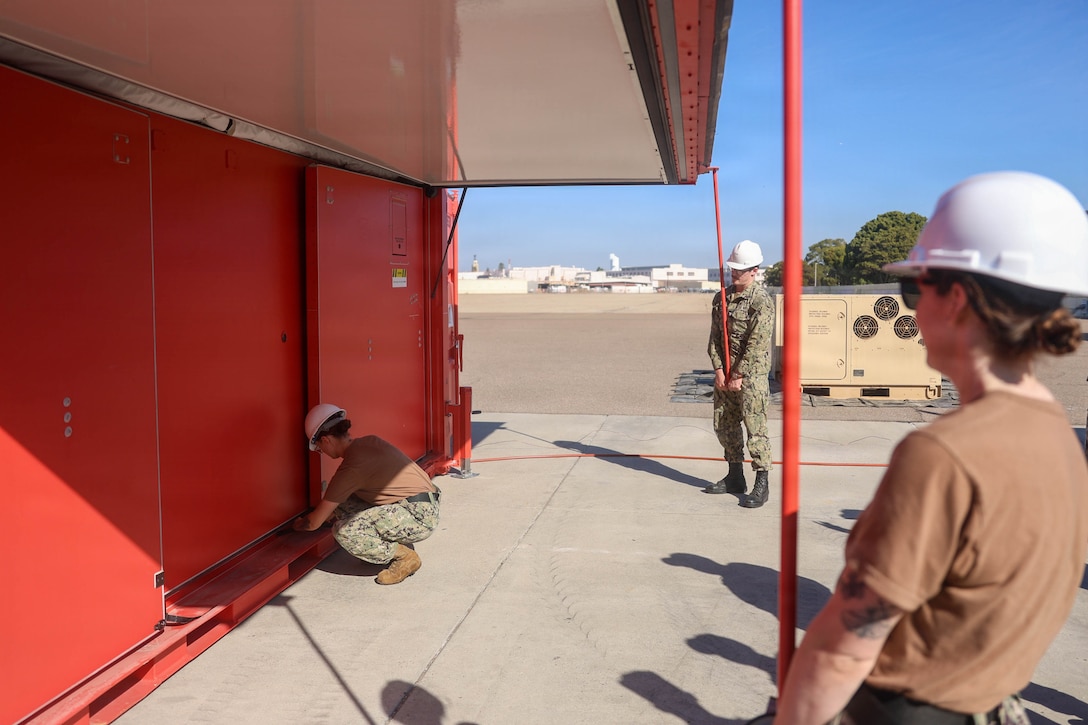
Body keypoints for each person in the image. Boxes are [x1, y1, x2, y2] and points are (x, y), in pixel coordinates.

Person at [774, 171, 1088, 724]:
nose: (912, 311)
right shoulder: (1057, 433)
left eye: (915, 289)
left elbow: (845, 647)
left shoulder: (943, 453)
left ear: (959, 299)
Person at [293, 403, 441, 585]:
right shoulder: (370, 442)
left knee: (344, 531)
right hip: (423, 505)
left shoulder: (351, 469)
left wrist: (297, 525)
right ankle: (376, 546)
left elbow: (313, 523)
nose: (321, 452)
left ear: (325, 440)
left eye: (318, 449)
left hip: (419, 518)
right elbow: (335, 506)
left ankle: (404, 557)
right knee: (343, 503)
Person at [703, 239, 775, 508]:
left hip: (751, 377)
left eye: (741, 269)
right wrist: (720, 369)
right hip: (726, 374)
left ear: (755, 270)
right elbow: (714, 339)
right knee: (724, 424)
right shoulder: (721, 298)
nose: (735, 273)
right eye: (733, 268)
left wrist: (739, 374)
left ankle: (761, 484)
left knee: (755, 429)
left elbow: (758, 343)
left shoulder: (761, 301)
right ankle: (735, 476)